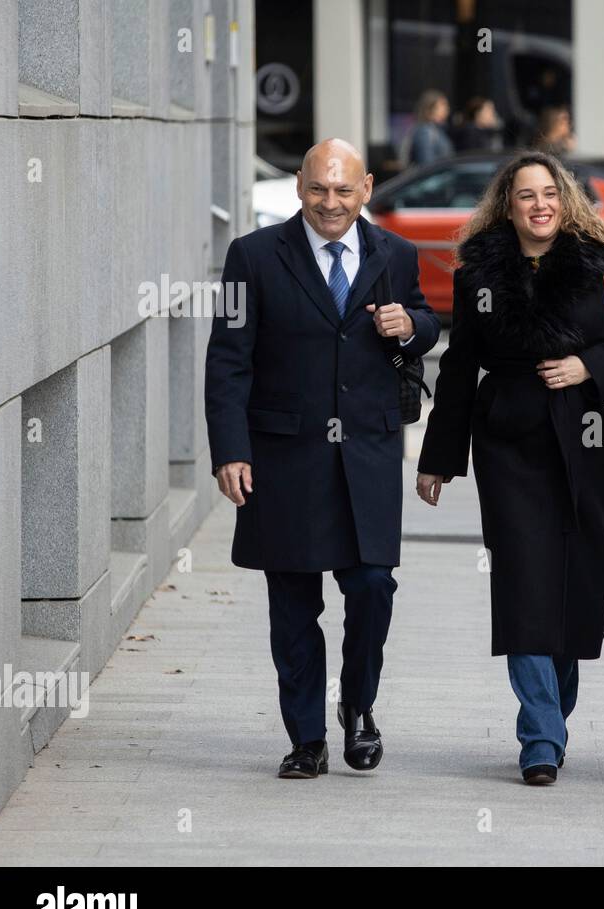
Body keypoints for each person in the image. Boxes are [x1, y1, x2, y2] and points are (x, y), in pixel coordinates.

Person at [205, 138, 441, 778]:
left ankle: (358, 706)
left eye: (342, 190)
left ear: (366, 189)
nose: (329, 202)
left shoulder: (396, 253)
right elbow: (228, 360)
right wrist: (230, 450)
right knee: (292, 604)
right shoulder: (253, 255)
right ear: (299, 187)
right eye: (317, 188)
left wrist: (411, 327)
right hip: (285, 458)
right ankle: (306, 738)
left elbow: (425, 322)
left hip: (367, 455)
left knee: (372, 586)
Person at [415, 151, 604, 785]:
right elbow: (459, 366)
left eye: (549, 193)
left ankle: (554, 713)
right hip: (509, 439)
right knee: (523, 580)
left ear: (564, 201)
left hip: (584, 436)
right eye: (526, 195)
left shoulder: (600, 264)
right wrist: (439, 459)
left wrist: (587, 366)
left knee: (575, 579)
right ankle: (540, 734)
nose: (539, 205)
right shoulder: (479, 274)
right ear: (508, 206)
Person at [406, 90, 454, 168]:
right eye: (442, 105)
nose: (447, 109)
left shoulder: (437, 129)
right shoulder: (425, 131)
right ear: (430, 109)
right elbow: (426, 163)